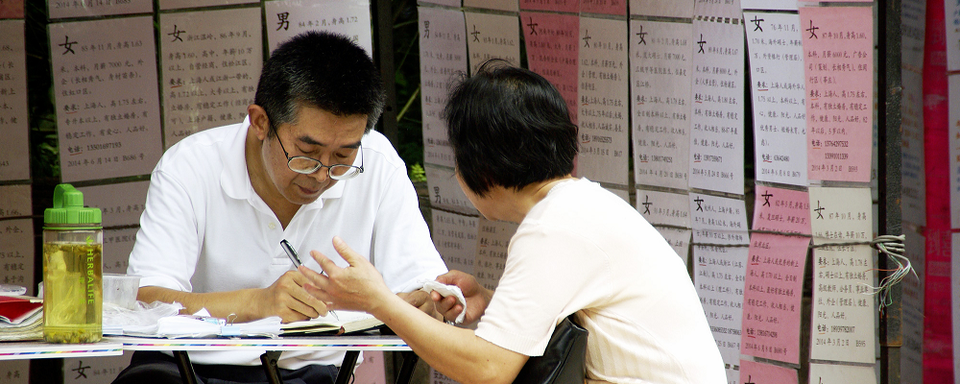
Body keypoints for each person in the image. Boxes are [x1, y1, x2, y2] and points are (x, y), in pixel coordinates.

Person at [300, 60, 726, 384]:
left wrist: (379, 301)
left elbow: (488, 368)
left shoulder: (555, 226)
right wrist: (490, 300)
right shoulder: (576, 207)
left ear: (481, 167)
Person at [113, 31, 448, 384]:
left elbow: (423, 284)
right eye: (306, 153)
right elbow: (147, 299)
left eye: (342, 156)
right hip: (185, 369)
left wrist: (426, 302)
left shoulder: (378, 165)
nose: (321, 175)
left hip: (313, 375)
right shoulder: (191, 166)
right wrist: (258, 303)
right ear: (261, 122)